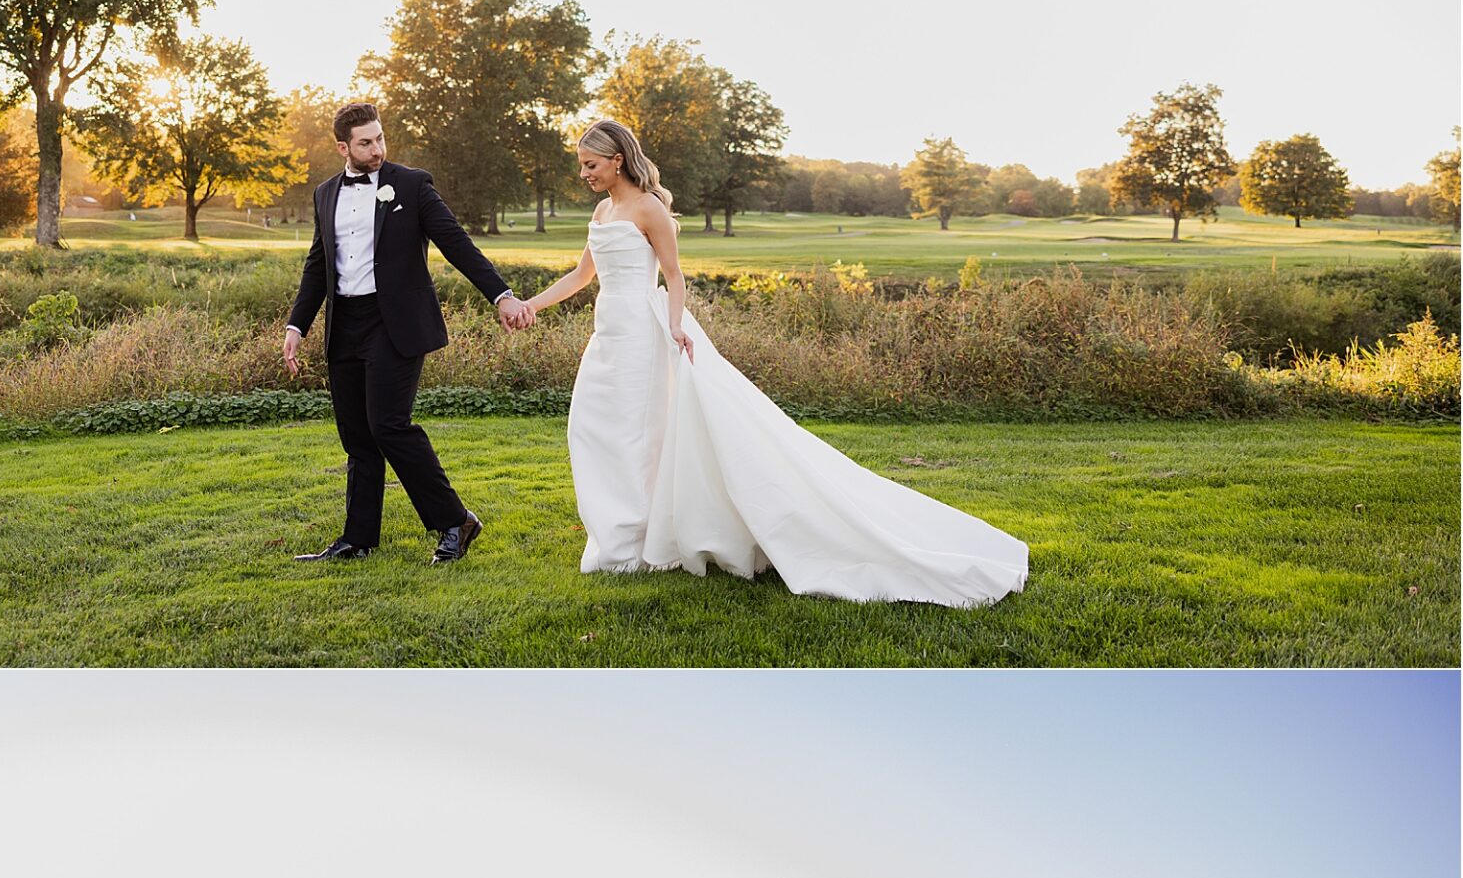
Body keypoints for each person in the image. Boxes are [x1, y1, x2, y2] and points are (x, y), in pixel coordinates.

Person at [518, 120, 1029, 605]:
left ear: (617, 160)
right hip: (608, 339)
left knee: (637, 436)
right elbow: (583, 275)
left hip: (644, 336)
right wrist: (529, 306)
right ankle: (619, 538)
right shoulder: (602, 214)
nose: (584, 175)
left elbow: (674, 276)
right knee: (594, 430)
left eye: (591, 165)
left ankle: (631, 548)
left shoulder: (648, 208)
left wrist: (676, 325)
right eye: (582, 166)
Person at [283, 103, 533, 563]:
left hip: (393, 324)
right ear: (343, 147)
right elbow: (318, 265)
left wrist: (502, 296)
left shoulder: (413, 184)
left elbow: (457, 243)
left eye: (380, 138)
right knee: (357, 436)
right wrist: (298, 324)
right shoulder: (324, 194)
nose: (377, 149)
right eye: (365, 142)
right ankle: (357, 539)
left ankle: (454, 519)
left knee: (389, 426)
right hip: (345, 326)